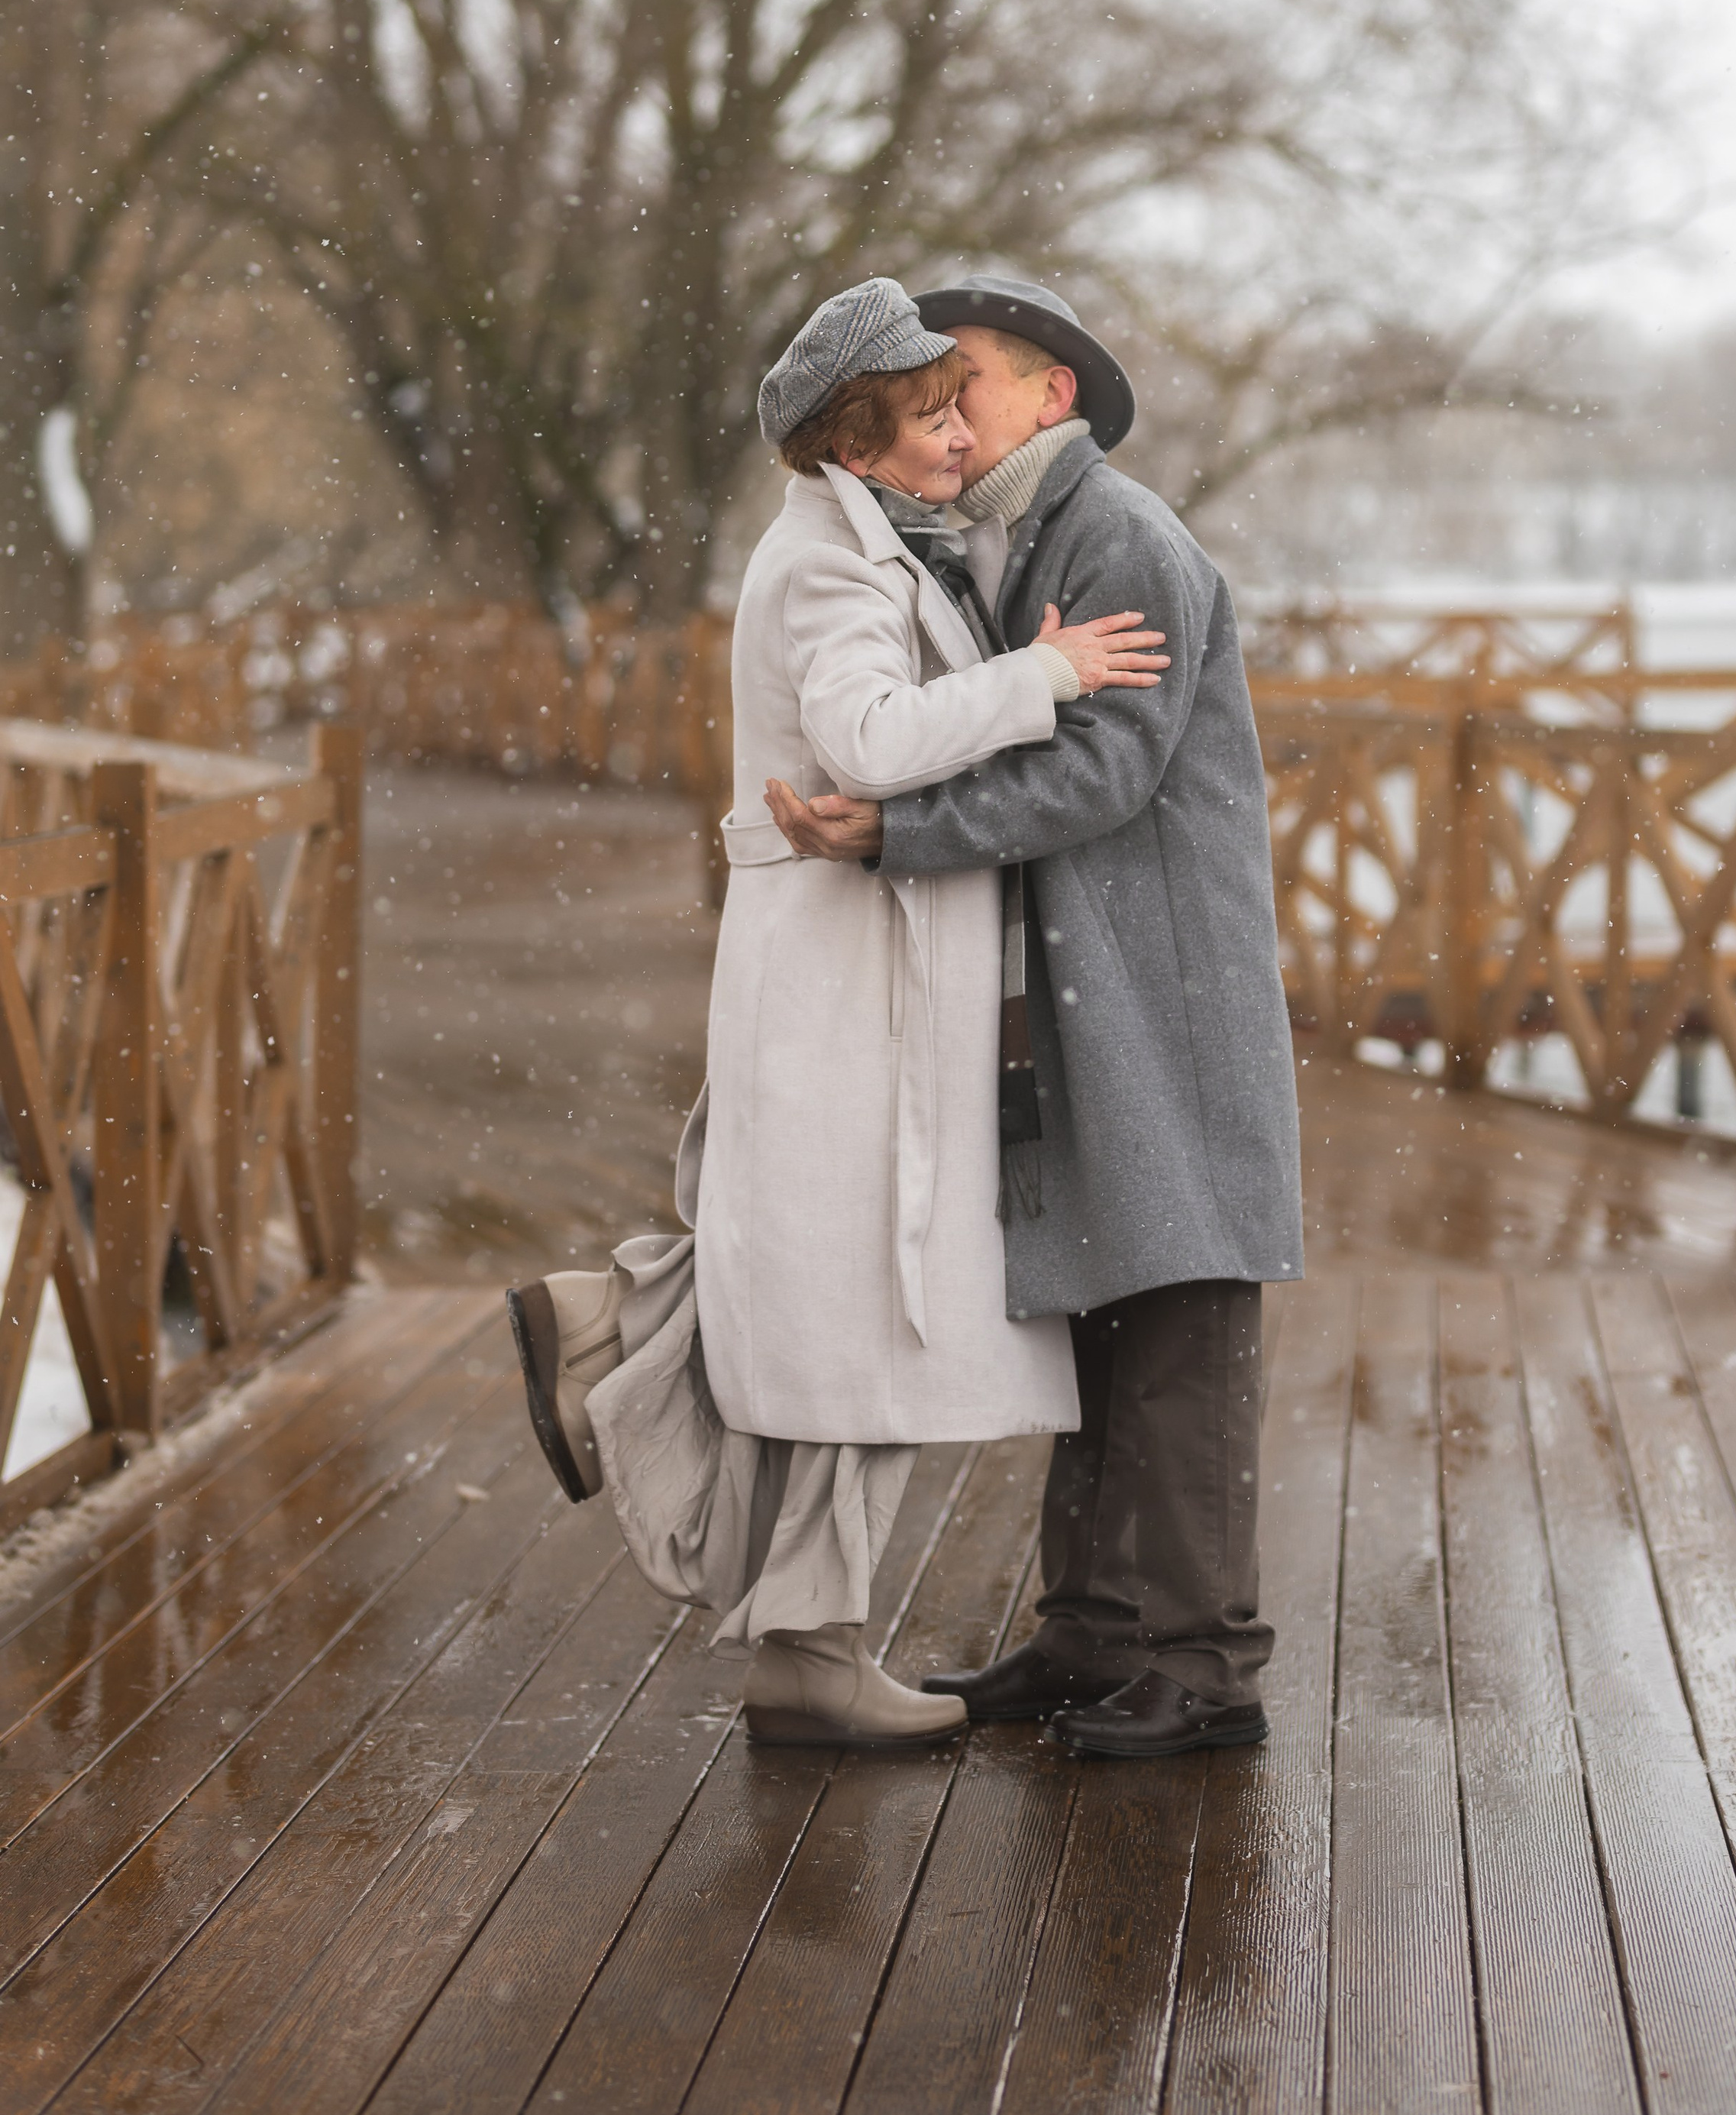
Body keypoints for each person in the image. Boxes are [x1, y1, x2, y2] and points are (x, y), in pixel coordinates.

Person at [509, 277, 1167, 1750]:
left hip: (870, 965)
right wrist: (1046, 675)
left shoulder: (877, 546)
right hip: (837, 971)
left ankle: (799, 1630)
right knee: (844, 1291)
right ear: (861, 437)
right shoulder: (831, 568)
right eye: (934, 415)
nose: (958, 436)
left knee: (847, 1297)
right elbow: (867, 743)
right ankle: (636, 1358)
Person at [765, 270, 1303, 1761]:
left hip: (1160, 993)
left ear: (1049, 394)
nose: (942, 414)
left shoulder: (1117, 534)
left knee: (1180, 1308)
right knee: (1098, 1309)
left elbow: (1100, 772)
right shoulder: (1008, 538)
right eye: (922, 398)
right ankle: (1091, 1636)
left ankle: (1199, 1668)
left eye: (965, 386)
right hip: (1086, 991)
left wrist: (888, 832)